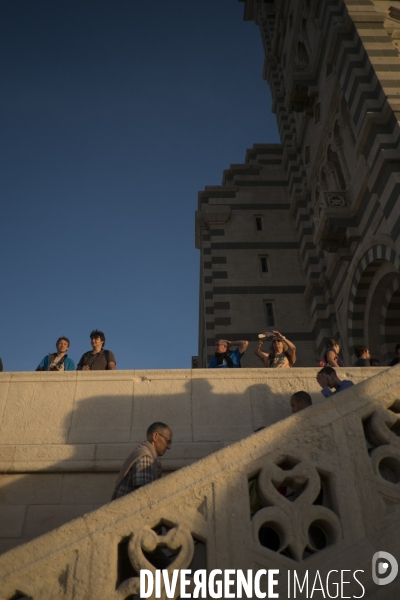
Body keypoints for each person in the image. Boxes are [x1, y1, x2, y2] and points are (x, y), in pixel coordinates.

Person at [111, 422, 172, 500]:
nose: (169, 447)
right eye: (168, 441)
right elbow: (143, 496)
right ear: (155, 436)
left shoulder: (144, 453)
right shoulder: (145, 457)